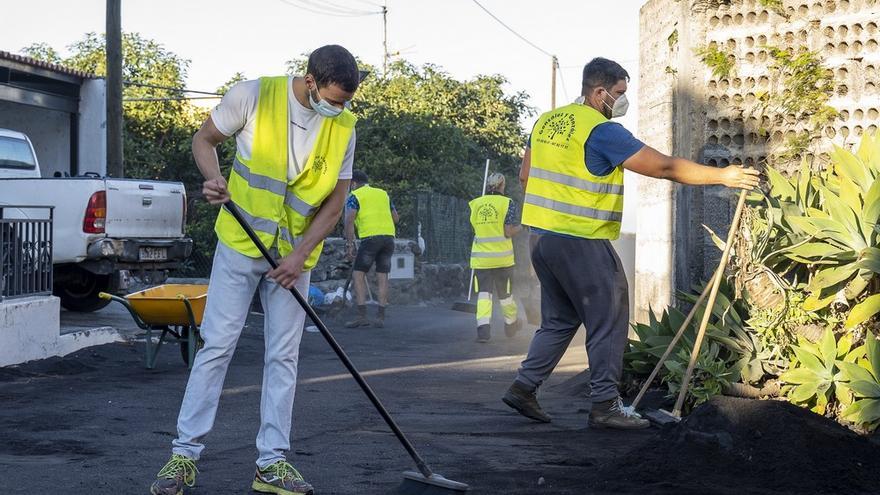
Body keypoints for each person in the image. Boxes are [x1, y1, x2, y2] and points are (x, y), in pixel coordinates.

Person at [502, 57, 759, 429]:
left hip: (541, 239)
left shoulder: (546, 123)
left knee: (559, 319)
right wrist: (724, 175)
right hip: (581, 239)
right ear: (599, 92)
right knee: (610, 312)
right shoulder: (601, 130)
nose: (623, 101)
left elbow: (525, 175)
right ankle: (605, 405)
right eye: (620, 93)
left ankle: (523, 387)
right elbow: (664, 167)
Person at [150, 45, 361, 495]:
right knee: (217, 345)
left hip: (294, 256)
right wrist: (213, 178)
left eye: (346, 102)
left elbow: (335, 201)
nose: (339, 109)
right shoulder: (251, 96)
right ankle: (182, 457)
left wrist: (300, 254)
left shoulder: (344, 127)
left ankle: (272, 463)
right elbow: (203, 141)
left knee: (284, 354)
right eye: (335, 99)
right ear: (310, 81)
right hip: (242, 244)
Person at [468, 172, 522, 343]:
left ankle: (483, 331)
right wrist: (522, 227)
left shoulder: (476, 204)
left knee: (484, 295)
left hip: (481, 259)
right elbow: (508, 232)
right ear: (502, 185)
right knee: (505, 295)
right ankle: (511, 325)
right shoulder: (508, 203)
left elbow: (475, 228)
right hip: (502, 260)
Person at [343, 170, 399, 328]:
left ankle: (362, 316)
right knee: (383, 276)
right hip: (389, 238)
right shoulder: (383, 194)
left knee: (358, 274)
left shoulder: (354, 196)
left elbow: (349, 220)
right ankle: (381, 316)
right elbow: (396, 218)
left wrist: (349, 245)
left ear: (353, 183)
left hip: (370, 239)